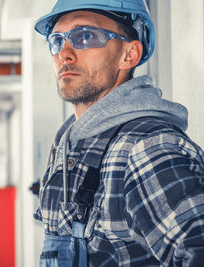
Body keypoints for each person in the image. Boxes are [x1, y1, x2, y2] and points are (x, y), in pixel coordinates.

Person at [33, 0, 204, 266]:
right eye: (56, 40)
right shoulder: (69, 146)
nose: (64, 53)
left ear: (129, 55)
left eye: (85, 36)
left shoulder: (145, 147)